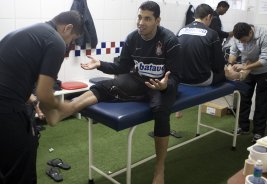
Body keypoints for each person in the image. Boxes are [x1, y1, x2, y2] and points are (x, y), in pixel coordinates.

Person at [67, 1, 181, 183]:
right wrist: (101, 64)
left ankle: (159, 169)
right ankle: (68, 107)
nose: (141, 22)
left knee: (160, 110)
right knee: (107, 85)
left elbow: (175, 76)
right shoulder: (132, 38)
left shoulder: (169, 41)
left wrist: (165, 86)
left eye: (147, 19)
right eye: (139, 17)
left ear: (157, 20)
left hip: (161, 85)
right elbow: (122, 66)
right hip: (139, 79)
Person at [0, 10, 84, 184]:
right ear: (67, 28)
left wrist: (31, 98)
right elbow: (44, 93)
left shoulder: (33, 31)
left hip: (8, 99)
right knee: (22, 168)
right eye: (73, 39)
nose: (70, 44)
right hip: (6, 108)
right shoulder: (56, 41)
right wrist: (63, 107)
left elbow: (13, 72)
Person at [175, 3, 226, 118]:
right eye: (211, 19)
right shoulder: (212, 34)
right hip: (201, 80)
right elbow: (218, 64)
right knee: (226, 73)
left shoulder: (181, 30)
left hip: (179, 78)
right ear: (208, 17)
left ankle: (179, 109)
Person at [227, 22, 267, 143]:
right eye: (240, 41)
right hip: (247, 70)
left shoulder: (264, 35)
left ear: (250, 32)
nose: (242, 43)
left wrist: (245, 67)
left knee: (262, 101)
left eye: (244, 40)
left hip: (264, 71)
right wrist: (231, 64)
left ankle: (258, 132)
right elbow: (233, 52)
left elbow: (266, 58)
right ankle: (243, 127)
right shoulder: (238, 37)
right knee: (244, 97)